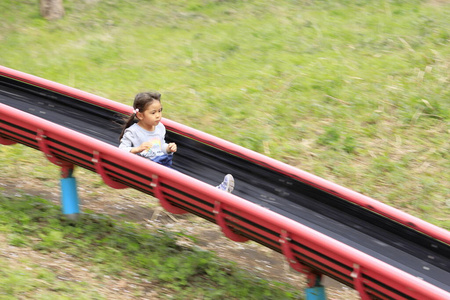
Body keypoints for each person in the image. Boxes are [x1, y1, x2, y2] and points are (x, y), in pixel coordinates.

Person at [119, 91, 235, 193]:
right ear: (140, 115)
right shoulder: (133, 132)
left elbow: (158, 146)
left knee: (182, 181)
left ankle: (215, 192)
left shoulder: (160, 128)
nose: (158, 115)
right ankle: (216, 192)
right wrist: (137, 149)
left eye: (160, 111)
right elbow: (120, 151)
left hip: (161, 164)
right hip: (146, 171)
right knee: (182, 181)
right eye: (153, 113)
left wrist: (167, 148)